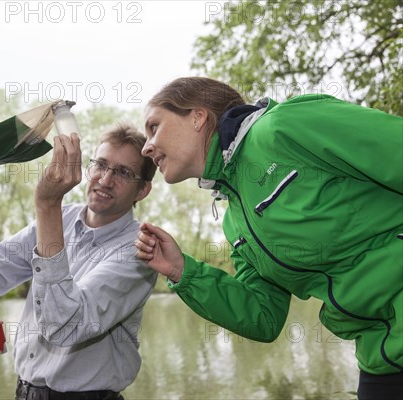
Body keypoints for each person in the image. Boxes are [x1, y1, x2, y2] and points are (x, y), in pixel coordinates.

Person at [134, 77, 403, 399]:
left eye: (154, 127)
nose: (146, 147)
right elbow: (262, 317)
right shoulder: (235, 222)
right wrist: (182, 271)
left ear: (197, 116)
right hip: (382, 358)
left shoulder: (284, 127)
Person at [0, 123, 157, 400]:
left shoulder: (140, 250)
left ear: (142, 191)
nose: (105, 179)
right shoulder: (60, 218)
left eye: (124, 172)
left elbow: (64, 325)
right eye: (100, 164)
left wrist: (46, 205)